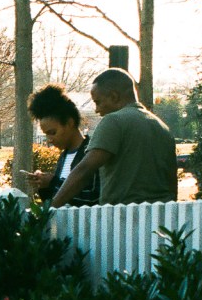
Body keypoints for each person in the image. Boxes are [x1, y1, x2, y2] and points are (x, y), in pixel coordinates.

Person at [50, 68, 176, 207]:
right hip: (162, 217)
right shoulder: (163, 127)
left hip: (123, 217)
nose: (97, 110)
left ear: (114, 96)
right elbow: (171, 182)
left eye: (98, 102)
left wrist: (51, 208)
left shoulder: (113, 121)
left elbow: (85, 169)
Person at [24, 83, 99, 207]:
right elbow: (55, 202)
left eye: (52, 133)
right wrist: (43, 186)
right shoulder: (63, 157)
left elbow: (91, 198)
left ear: (70, 122)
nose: (49, 139)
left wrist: (53, 182)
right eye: (46, 134)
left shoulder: (92, 153)